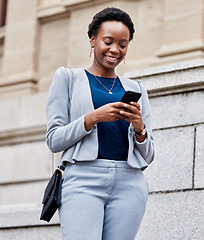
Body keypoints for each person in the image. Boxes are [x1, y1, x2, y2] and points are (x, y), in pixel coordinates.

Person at [46, 7, 155, 240]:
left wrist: (139, 128)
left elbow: (149, 155)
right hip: (83, 178)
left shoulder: (136, 88)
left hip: (129, 181)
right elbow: (54, 140)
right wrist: (93, 117)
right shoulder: (68, 78)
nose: (115, 49)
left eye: (123, 44)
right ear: (93, 40)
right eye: (108, 41)